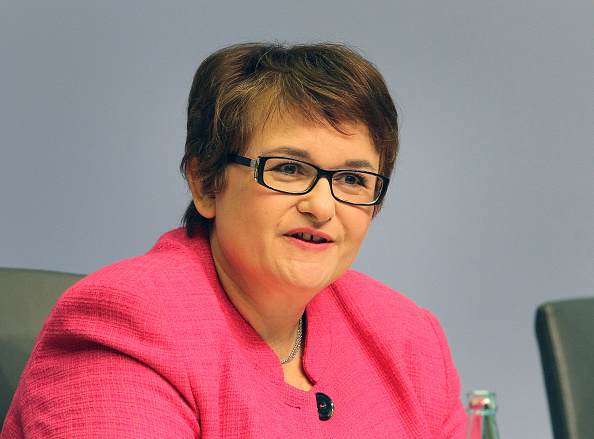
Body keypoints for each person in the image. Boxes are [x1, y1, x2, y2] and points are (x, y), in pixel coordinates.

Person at [1, 42, 466, 438]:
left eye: (352, 179)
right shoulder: (127, 324)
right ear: (206, 183)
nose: (323, 207)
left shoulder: (408, 339)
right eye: (288, 169)